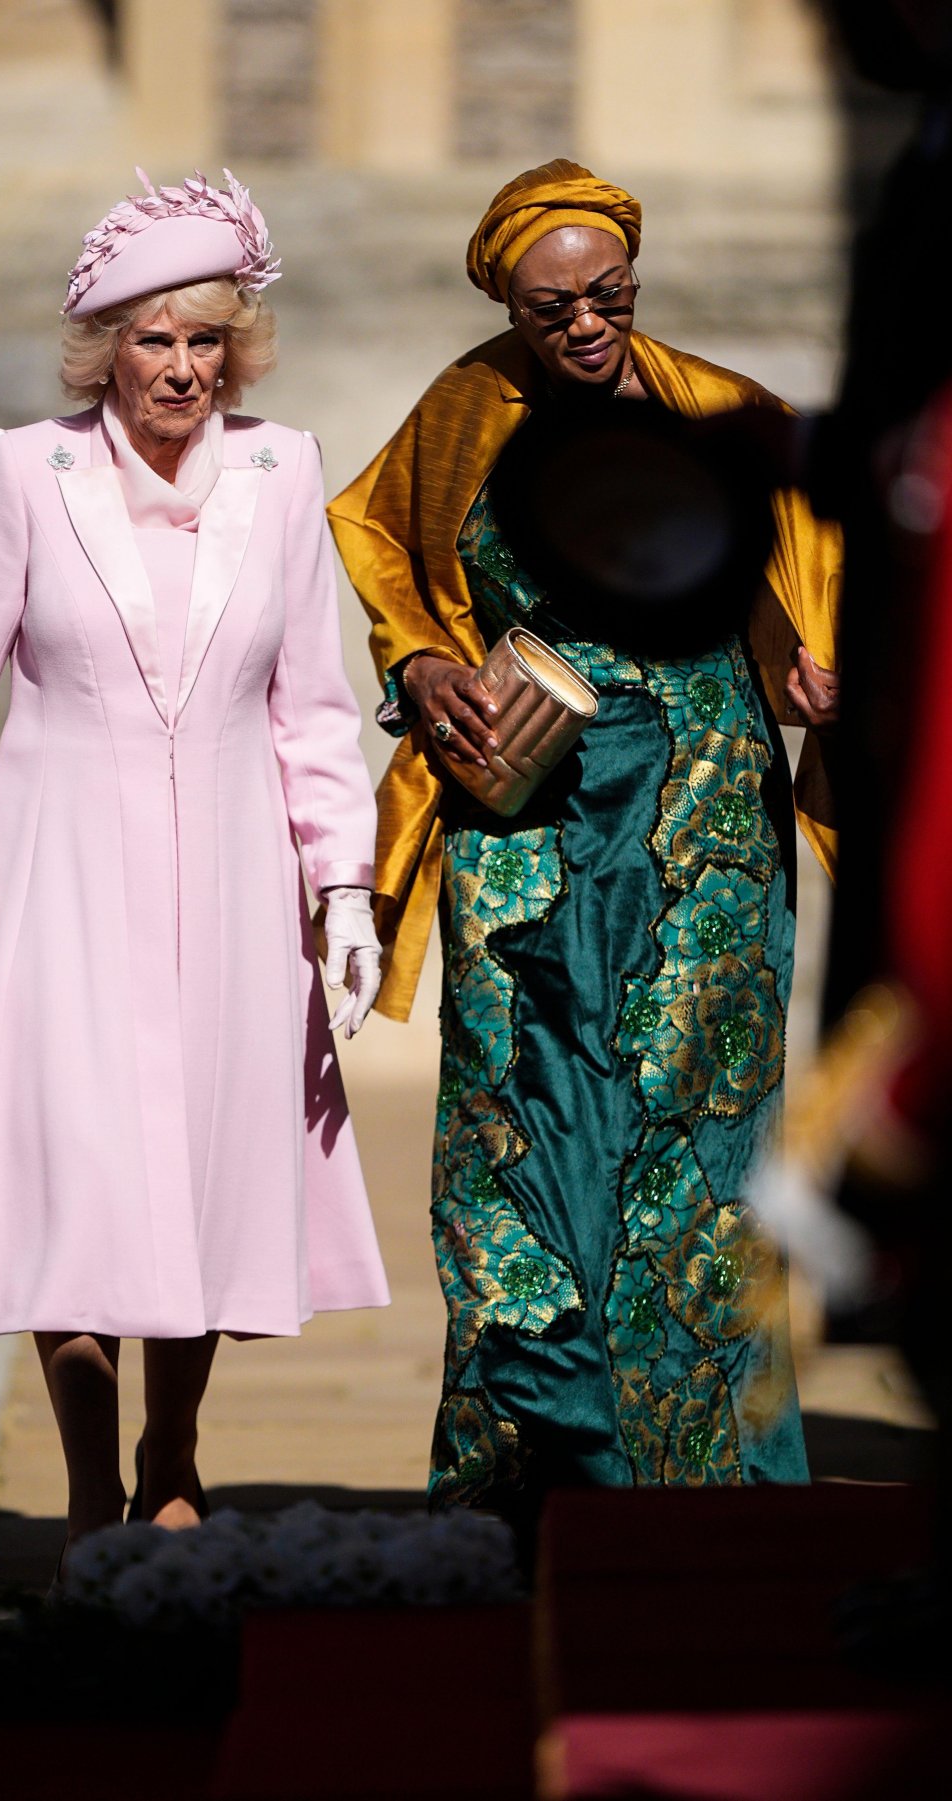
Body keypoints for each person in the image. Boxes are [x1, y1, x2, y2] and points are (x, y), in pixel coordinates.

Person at [0, 169, 390, 1557]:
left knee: (205, 1167)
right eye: (154, 338)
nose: (181, 367)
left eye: (206, 339)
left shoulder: (284, 472)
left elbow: (314, 706)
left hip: (233, 881)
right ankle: (89, 1483)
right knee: (79, 1169)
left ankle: (174, 1444)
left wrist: (344, 888)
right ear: (105, 347)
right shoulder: (26, 471)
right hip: (60, 875)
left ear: (239, 348)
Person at [328, 160, 841, 1513]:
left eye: (609, 295)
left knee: (699, 1145)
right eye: (552, 307)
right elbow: (389, 557)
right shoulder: (461, 415)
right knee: (521, 1133)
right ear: (508, 304)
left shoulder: (716, 413)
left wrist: (822, 668)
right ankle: (536, 1483)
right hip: (525, 823)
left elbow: (816, 583)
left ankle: (711, 1498)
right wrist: (420, 667)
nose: (587, 325)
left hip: (706, 832)